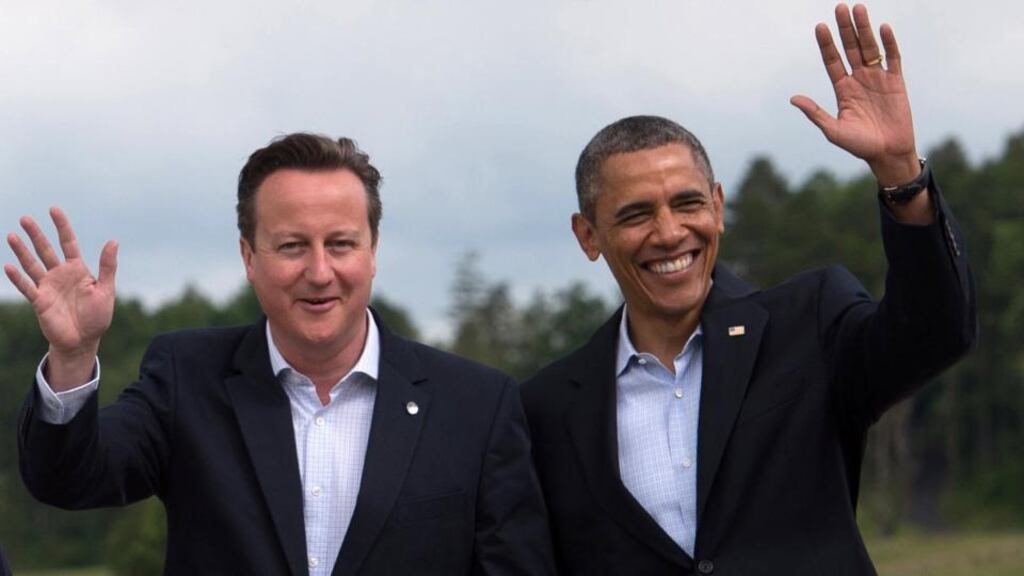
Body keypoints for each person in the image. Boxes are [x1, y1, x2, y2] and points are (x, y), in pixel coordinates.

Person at [520, 4, 976, 575]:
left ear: (718, 206)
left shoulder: (808, 321)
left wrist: (901, 174)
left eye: (687, 204)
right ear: (588, 235)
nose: (669, 233)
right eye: (637, 215)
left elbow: (936, 333)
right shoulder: (545, 407)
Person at [7, 134, 554, 575]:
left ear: (373, 251)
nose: (319, 272)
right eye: (292, 246)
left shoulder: (476, 406)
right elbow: (69, 481)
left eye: (340, 244)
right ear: (249, 256)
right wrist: (73, 356)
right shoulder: (186, 377)